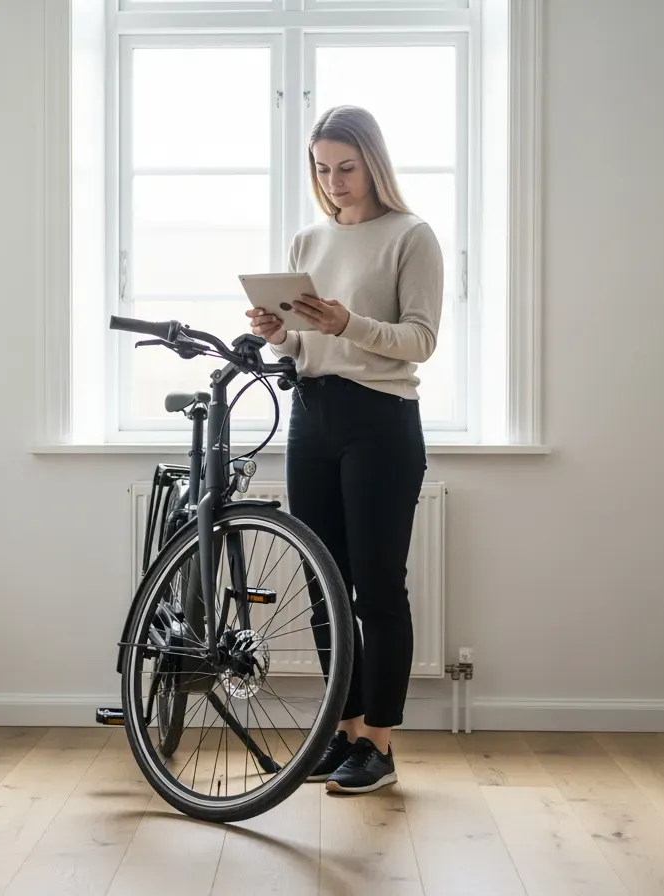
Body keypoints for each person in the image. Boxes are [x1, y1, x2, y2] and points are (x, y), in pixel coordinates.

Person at [246, 105, 443, 794]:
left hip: (381, 421)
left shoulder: (411, 236)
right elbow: (310, 345)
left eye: (347, 168)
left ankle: (380, 746)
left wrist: (348, 321)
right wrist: (282, 333)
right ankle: (343, 732)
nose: (334, 182)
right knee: (322, 584)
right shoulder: (308, 241)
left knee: (377, 589)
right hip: (314, 414)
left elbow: (420, 339)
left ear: (374, 163)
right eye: (323, 169)